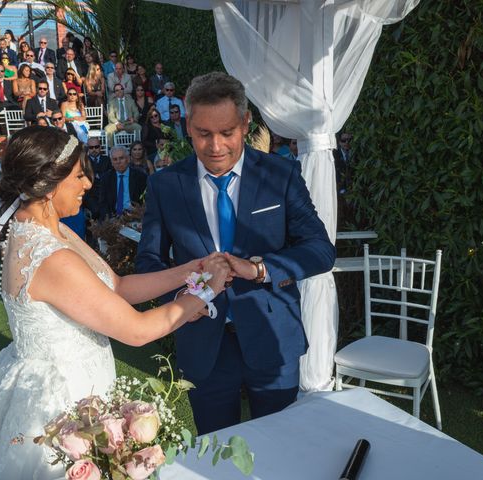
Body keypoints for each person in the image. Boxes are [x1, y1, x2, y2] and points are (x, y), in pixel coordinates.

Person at [0, 126, 231, 477]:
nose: (88, 184)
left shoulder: (44, 227)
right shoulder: (50, 256)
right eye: (79, 176)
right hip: (62, 400)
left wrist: (189, 270)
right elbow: (137, 331)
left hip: (69, 381)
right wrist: (206, 290)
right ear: (48, 183)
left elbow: (117, 286)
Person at [135, 72, 336, 435]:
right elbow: (148, 261)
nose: (215, 146)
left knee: (280, 453)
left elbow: (320, 250)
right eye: (203, 134)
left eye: (227, 132)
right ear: (187, 126)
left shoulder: (282, 175)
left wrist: (259, 269)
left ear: (245, 123)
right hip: (203, 346)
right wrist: (182, 298)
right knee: (216, 456)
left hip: (272, 338)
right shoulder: (165, 185)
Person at [97, 145, 147, 219]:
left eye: (121, 158)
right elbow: (102, 203)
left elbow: (146, 201)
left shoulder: (140, 176)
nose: (118, 162)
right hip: (113, 217)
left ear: (128, 159)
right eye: (115, 159)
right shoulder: (106, 178)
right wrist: (109, 219)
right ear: (111, 162)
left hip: (135, 215)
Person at [83, 136, 111, 220]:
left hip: (106, 193)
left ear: (100, 147)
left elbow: (110, 175)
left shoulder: (107, 160)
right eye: (91, 147)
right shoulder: (84, 162)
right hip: (90, 194)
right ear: (88, 148)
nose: (94, 149)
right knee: (96, 211)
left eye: (96, 147)